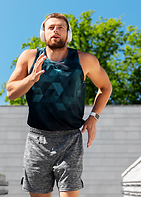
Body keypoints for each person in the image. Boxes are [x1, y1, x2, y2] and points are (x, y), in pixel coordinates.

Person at [6, 13, 112, 197]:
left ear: (68, 34)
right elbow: (11, 93)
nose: (56, 30)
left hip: (70, 139)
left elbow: (105, 87)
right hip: (37, 140)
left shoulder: (85, 60)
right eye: (51, 27)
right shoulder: (29, 57)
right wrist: (31, 78)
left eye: (61, 27)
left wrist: (94, 117)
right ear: (43, 34)